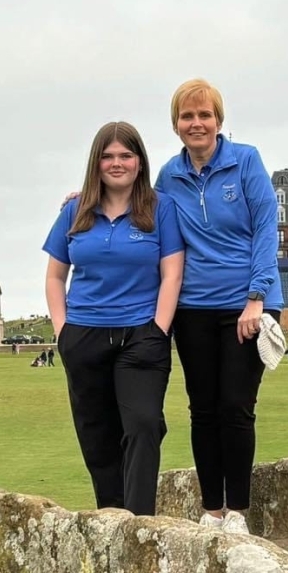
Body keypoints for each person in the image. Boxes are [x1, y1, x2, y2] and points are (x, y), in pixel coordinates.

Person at [154, 78, 284, 536]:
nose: (196, 123)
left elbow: (267, 228)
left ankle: (238, 512)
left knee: (235, 406)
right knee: (202, 409)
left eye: (204, 115)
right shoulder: (169, 175)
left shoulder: (245, 161)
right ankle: (211, 510)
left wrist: (256, 297)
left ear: (219, 121)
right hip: (192, 308)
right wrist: (82, 201)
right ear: (176, 125)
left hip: (247, 304)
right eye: (187, 116)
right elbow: (143, 216)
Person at [44, 121, 184, 516]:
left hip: (141, 333)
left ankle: (139, 522)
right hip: (84, 335)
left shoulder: (160, 208)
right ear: (96, 162)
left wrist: (158, 329)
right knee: (97, 433)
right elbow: (56, 276)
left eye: (125, 155)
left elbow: (172, 273)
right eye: (108, 156)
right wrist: (63, 331)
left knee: (143, 424)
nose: (116, 163)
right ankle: (111, 515)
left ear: (139, 162)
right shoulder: (76, 211)